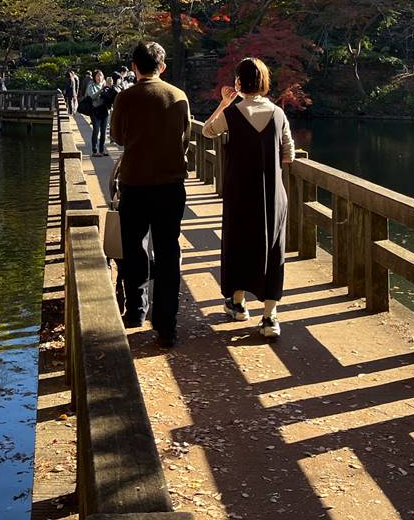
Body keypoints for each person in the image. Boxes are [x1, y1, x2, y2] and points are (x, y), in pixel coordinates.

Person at [201, 58, 295, 340]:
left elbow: (207, 130)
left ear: (239, 83)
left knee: (238, 244)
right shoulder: (278, 114)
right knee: (273, 249)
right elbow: (288, 153)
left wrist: (224, 103)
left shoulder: (232, 115)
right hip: (273, 195)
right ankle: (270, 317)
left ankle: (238, 304)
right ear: (264, 81)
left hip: (240, 193)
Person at [110, 41, 192, 348]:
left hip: (134, 182)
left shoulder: (126, 97)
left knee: (134, 248)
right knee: (169, 250)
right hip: (170, 185)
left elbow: (117, 136)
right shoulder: (177, 96)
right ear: (163, 67)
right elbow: (185, 140)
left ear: (134, 66)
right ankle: (166, 326)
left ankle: (136, 311)